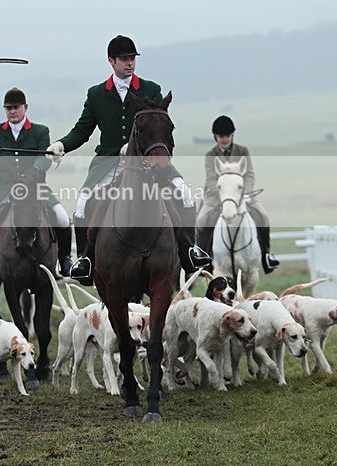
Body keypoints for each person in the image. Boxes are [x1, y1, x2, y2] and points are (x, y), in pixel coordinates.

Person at [47, 35, 210, 283]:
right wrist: (61, 145)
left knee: (185, 193)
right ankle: (85, 259)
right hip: (109, 161)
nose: (130, 63)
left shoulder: (150, 89)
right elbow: (82, 130)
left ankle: (190, 250)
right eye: (124, 59)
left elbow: (158, 126)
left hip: (149, 159)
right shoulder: (97, 94)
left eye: (132, 58)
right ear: (111, 61)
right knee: (83, 202)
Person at [0, 87, 72, 292]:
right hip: (2, 188)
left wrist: (34, 171)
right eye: (8, 108)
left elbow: (45, 158)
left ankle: (64, 260)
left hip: (34, 187)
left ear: (25, 107)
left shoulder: (40, 131)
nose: (12, 111)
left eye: (15, 107)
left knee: (62, 217)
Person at [196, 115, 280, 274]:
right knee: (201, 219)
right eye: (221, 136)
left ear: (232, 135)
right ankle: (202, 257)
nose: (224, 139)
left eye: (227, 136)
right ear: (216, 137)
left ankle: (266, 255)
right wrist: (225, 195)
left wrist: (245, 193)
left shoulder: (243, 151)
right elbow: (211, 179)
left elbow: (249, 175)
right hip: (217, 195)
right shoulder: (210, 155)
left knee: (263, 216)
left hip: (242, 194)